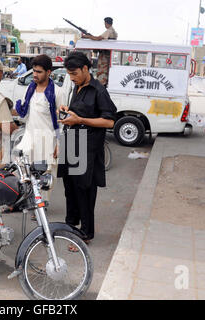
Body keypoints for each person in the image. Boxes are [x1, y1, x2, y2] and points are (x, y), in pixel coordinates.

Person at [58, 51, 117, 250]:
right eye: (69, 74)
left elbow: (109, 121)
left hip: (87, 148)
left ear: (85, 69)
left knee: (84, 192)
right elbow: (78, 112)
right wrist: (69, 112)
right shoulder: (77, 87)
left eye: (74, 73)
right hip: (71, 144)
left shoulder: (98, 91)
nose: (72, 78)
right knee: (70, 189)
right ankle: (71, 225)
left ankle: (85, 233)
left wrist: (80, 120)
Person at [14, 54, 63, 204]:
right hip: (29, 135)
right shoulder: (30, 88)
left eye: (39, 72)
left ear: (49, 72)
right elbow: (25, 112)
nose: (35, 74)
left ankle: (41, 205)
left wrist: (58, 144)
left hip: (48, 139)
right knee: (21, 166)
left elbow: (62, 121)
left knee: (45, 173)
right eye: (34, 71)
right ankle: (27, 199)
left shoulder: (57, 92)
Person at [82, 17, 118, 86]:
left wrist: (88, 36)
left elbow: (98, 38)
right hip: (108, 54)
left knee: (102, 71)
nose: (104, 25)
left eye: (105, 23)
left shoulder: (109, 31)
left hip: (104, 55)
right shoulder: (114, 32)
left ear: (107, 23)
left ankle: (102, 84)